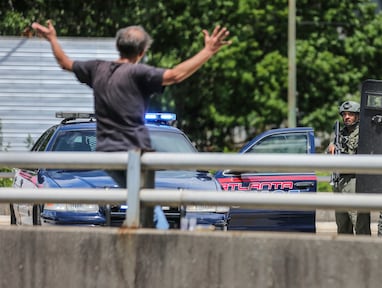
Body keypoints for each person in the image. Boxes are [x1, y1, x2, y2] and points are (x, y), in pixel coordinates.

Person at [32, 20, 232, 229]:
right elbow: (175, 75)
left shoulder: (97, 69)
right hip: (135, 154)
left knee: (142, 204)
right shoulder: (138, 73)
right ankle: (160, 242)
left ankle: (138, 236)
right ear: (142, 51)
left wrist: (53, 38)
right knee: (148, 205)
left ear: (118, 46)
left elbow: (65, 62)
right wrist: (208, 50)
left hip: (108, 154)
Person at [328, 101, 371, 235]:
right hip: (339, 181)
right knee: (342, 224)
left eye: (350, 114)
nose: (346, 117)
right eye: (344, 114)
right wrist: (330, 148)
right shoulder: (338, 134)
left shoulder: (364, 134)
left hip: (355, 180)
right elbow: (329, 154)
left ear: (358, 116)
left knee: (359, 223)